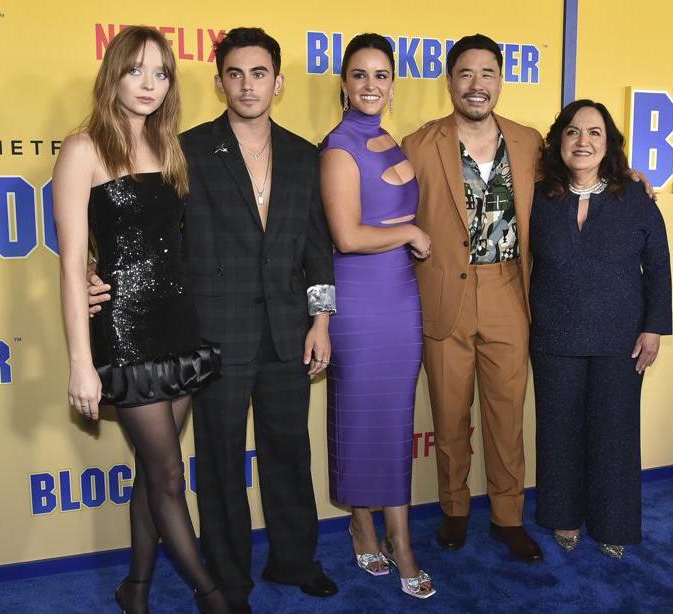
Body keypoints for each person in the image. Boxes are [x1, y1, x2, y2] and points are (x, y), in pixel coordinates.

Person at [88, 27, 337, 613]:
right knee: (220, 462)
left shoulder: (305, 154)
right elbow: (146, 230)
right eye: (234, 74)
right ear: (219, 81)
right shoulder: (187, 149)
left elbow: (317, 247)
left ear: (278, 80)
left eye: (258, 73)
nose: (247, 85)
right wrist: (92, 268)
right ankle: (228, 579)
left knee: (289, 451)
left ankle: (296, 561)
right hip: (212, 333)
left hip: (288, 332)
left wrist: (320, 319)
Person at [52, 26, 229, 613]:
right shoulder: (83, 149)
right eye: (137, 70)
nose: (150, 84)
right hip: (124, 332)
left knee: (151, 475)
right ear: (113, 74)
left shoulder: (169, 145)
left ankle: (137, 589)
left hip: (177, 324)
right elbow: (73, 262)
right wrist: (83, 364)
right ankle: (213, 596)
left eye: (161, 72)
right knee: (171, 479)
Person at [400, 34, 544, 562]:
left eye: (487, 73)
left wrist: (629, 179)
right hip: (444, 296)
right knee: (450, 414)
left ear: (500, 80)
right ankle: (454, 510)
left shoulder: (531, 143)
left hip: (509, 290)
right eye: (466, 74)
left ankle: (509, 517)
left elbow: (579, 178)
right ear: (450, 81)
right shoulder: (418, 145)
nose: (476, 85)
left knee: (507, 416)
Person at [530, 99, 672, 559]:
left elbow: (658, 265)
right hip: (554, 337)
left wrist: (653, 327)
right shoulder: (538, 196)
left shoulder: (634, 197)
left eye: (594, 132)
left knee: (614, 432)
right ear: (559, 142)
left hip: (621, 338)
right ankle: (564, 518)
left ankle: (613, 523)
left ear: (608, 143)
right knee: (558, 430)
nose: (583, 141)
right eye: (573, 132)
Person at [320, 33, 435, 598]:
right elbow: (345, 235)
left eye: (380, 75)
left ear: (393, 83)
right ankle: (367, 525)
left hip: (401, 298)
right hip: (359, 303)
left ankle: (398, 534)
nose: (371, 85)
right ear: (343, 83)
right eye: (359, 74)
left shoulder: (392, 139)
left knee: (395, 421)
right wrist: (410, 231)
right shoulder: (339, 146)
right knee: (362, 418)